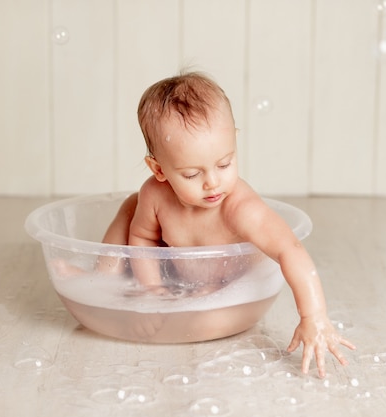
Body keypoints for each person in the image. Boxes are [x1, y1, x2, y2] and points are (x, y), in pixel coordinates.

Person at [101, 71, 355, 377]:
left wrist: (313, 315)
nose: (212, 183)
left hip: (226, 285)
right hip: (174, 273)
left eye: (224, 164)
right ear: (159, 169)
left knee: (205, 324)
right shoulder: (154, 195)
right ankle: (102, 277)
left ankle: (189, 314)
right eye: (192, 174)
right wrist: (153, 292)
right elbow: (140, 240)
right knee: (131, 206)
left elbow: (290, 249)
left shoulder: (240, 208)